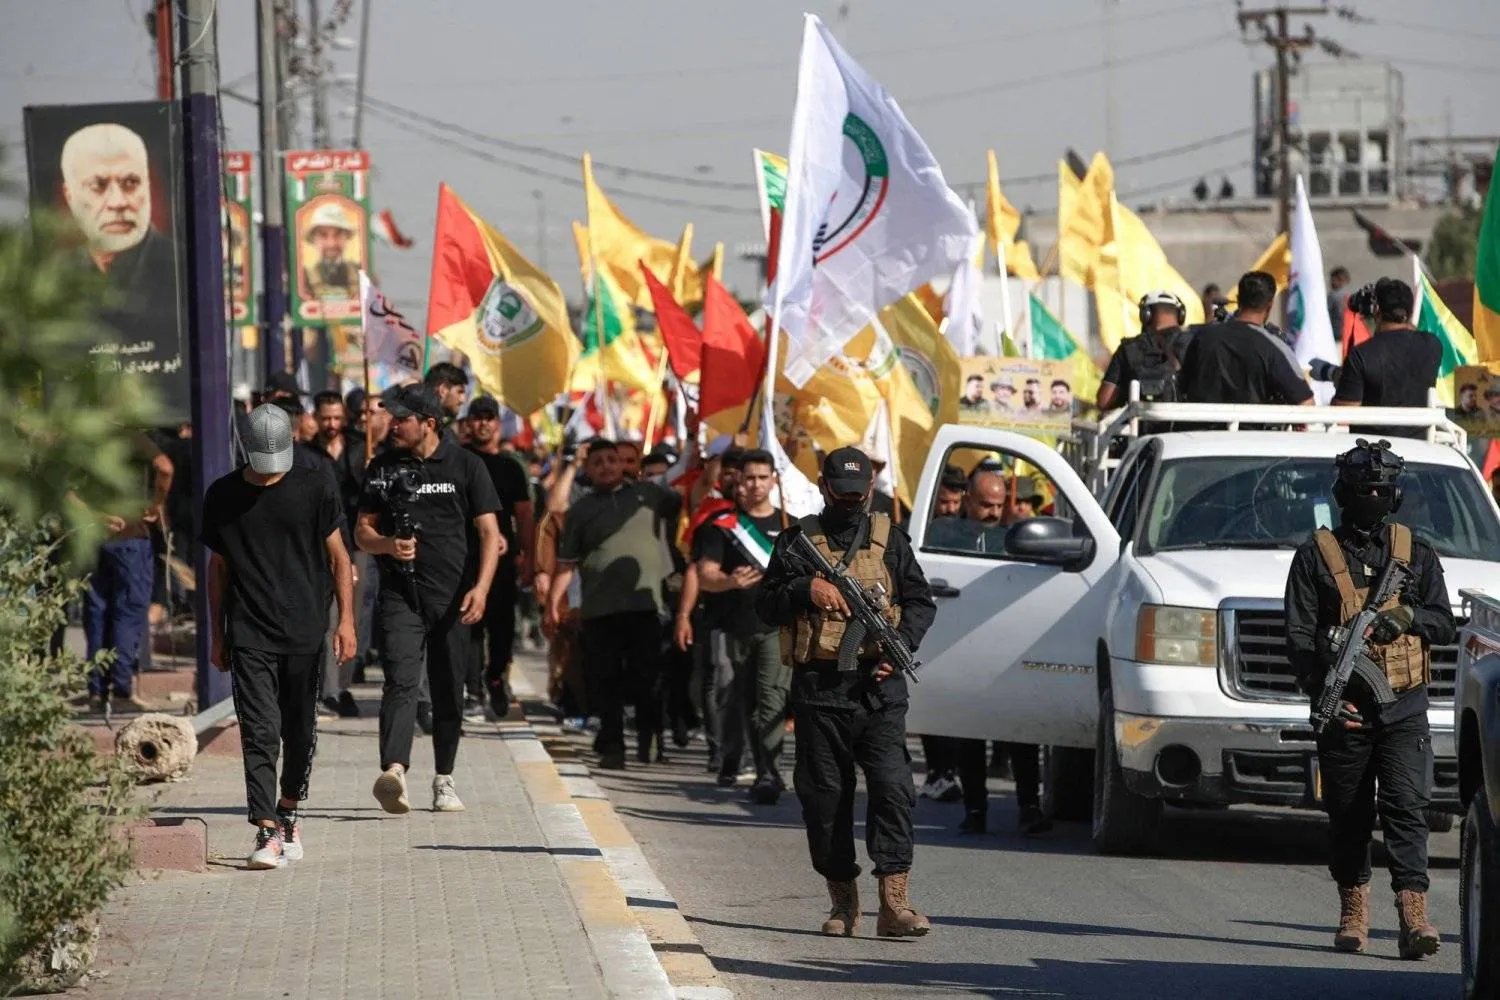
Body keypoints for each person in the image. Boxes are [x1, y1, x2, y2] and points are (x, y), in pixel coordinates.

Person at [756, 447, 937, 938]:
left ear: (871, 490)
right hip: (820, 690)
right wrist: (804, 590)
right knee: (824, 799)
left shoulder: (891, 540)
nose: (852, 502)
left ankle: (894, 905)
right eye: (843, 494)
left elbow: (920, 602)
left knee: (893, 791)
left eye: (859, 494)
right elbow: (765, 607)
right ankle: (843, 903)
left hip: (878, 691)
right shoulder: (796, 542)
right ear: (824, 488)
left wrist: (899, 647)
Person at [1284, 439, 1454, 959]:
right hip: (1347, 714)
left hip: (1404, 706)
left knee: (1407, 809)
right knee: (1349, 814)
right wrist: (1326, 696)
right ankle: (1354, 911)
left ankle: (1413, 915)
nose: (1374, 498)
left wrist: (1409, 617)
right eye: (1365, 490)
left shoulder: (1415, 552)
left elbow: (1444, 623)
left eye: (1382, 490)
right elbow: (1299, 637)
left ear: (1394, 495)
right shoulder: (1315, 556)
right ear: (1344, 494)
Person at [202, 404, 355, 869]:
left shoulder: (315, 486)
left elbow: (340, 558)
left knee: (300, 730)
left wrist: (346, 621)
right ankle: (266, 829)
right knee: (260, 731)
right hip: (249, 630)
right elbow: (218, 569)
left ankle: (288, 810)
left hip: (306, 629)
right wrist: (217, 635)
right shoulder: (223, 495)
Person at [356, 384, 504, 815]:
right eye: (391, 417)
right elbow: (362, 532)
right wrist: (388, 545)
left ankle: (444, 778)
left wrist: (481, 589)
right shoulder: (382, 468)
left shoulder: (467, 465)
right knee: (400, 681)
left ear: (429, 423)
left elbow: (490, 534)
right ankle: (395, 771)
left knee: (447, 688)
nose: (393, 425)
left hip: (453, 598)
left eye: (402, 419)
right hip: (401, 595)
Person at [548, 441, 683, 769]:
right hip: (599, 611)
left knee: (646, 679)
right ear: (588, 469)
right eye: (598, 462)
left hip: (644, 606)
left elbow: (689, 493)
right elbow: (566, 563)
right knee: (605, 681)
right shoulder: (580, 511)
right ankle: (612, 746)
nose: (607, 466)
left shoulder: (648, 495)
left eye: (612, 460)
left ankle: (649, 734)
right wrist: (553, 604)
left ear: (623, 464)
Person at [693, 449, 787, 802]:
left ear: (774, 480)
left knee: (770, 698)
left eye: (763, 477)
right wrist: (730, 581)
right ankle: (732, 755)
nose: (757, 484)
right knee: (738, 701)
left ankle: (769, 772)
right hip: (734, 628)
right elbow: (705, 574)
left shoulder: (791, 526)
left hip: (776, 629)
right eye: (750, 478)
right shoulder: (723, 526)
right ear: (739, 481)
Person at [59, 123, 181, 387]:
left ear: (147, 187)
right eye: (98, 185)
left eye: (130, 183)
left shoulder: (183, 269)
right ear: (70, 196)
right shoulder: (56, 280)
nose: (118, 202)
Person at [83, 432, 173, 714]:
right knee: (128, 614)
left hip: (93, 538)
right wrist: (157, 503)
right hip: (130, 536)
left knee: (97, 615)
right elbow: (165, 467)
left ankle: (96, 691)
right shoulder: (133, 437)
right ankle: (122, 691)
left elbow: (65, 490)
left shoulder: (84, 436)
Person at [466, 395, 535, 718]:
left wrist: (529, 558)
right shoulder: (460, 460)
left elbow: (524, 516)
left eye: (489, 417)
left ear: (497, 423)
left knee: (502, 626)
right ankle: (472, 689)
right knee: (470, 625)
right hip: (466, 556)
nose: (483, 423)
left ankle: (495, 676)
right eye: (477, 417)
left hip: (503, 562)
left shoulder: (511, 467)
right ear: (469, 422)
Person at [1180, 271, 1314, 407]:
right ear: (1270, 305)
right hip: (1253, 421)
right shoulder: (1274, 347)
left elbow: (1181, 388)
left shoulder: (1202, 337)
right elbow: (1306, 404)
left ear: (1238, 300)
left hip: (1199, 421)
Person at [1331, 279, 1442, 439]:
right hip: (1419, 447)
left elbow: (1343, 412)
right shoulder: (1433, 345)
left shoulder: (1362, 354)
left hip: (1371, 448)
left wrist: (1340, 380)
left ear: (1377, 311)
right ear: (1410, 312)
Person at [1097, 290, 1194, 411]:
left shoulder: (1128, 348)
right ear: (1181, 315)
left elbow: (1104, 400)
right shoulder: (1194, 343)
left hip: (1139, 422)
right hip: (1185, 421)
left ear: (1145, 315)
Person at [300, 201, 359, 305]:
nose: (331, 243)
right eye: (323, 235)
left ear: (346, 237)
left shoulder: (361, 272)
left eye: (338, 235)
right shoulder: (303, 277)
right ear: (314, 240)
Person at [424, 362, 469, 429]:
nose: (463, 400)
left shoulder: (440, 428)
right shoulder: (418, 423)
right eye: (460, 392)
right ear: (443, 390)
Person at [1328, 265, 1352, 334]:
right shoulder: (1351, 295)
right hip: (1350, 332)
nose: (1331, 282)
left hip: (1336, 332)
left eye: (1333, 279)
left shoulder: (1333, 296)